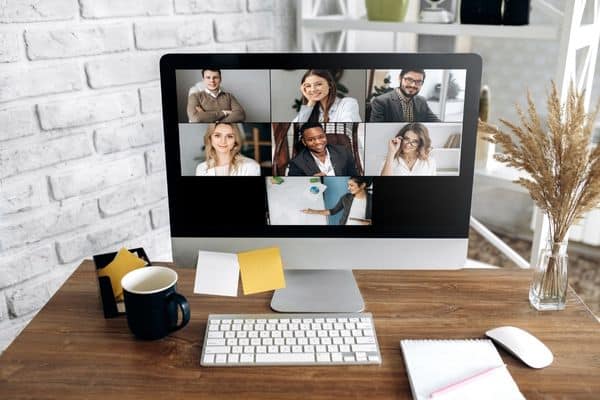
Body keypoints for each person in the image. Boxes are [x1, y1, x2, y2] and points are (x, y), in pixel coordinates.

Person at [287, 122, 359, 176]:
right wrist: (311, 181)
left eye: (321, 137)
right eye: (311, 140)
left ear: (325, 136)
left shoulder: (343, 152)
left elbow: (354, 176)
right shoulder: (297, 163)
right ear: (304, 142)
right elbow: (295, 186)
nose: (318, 142)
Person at [369, 69, 441, 122]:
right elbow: (376, 130)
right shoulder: (381, 102)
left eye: (418, 82)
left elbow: (437, 123)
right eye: (409, 79)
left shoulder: (422, 101)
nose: (413, 85)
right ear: (400, 78)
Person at [292, 69, 361, 123]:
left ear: (330, 85)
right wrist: (311, 102)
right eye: (308, 86)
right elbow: (297, 127)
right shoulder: (313, 110)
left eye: (318, 84)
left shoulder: (348, 103)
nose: (313, 89)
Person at [195, 123, 260, 176]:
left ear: (235, 140)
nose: (223, 141)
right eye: (217, 135)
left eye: (229, 136)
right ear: (210, 138)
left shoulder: (251, 166)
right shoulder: (201, 168)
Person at [301, 176, 372, 225]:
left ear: (362, 185)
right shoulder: (346, 197)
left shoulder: (371, 199)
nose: (348, 188)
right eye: (348, 185)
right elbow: (333, 211)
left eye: (351, 185)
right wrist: (312, 211)